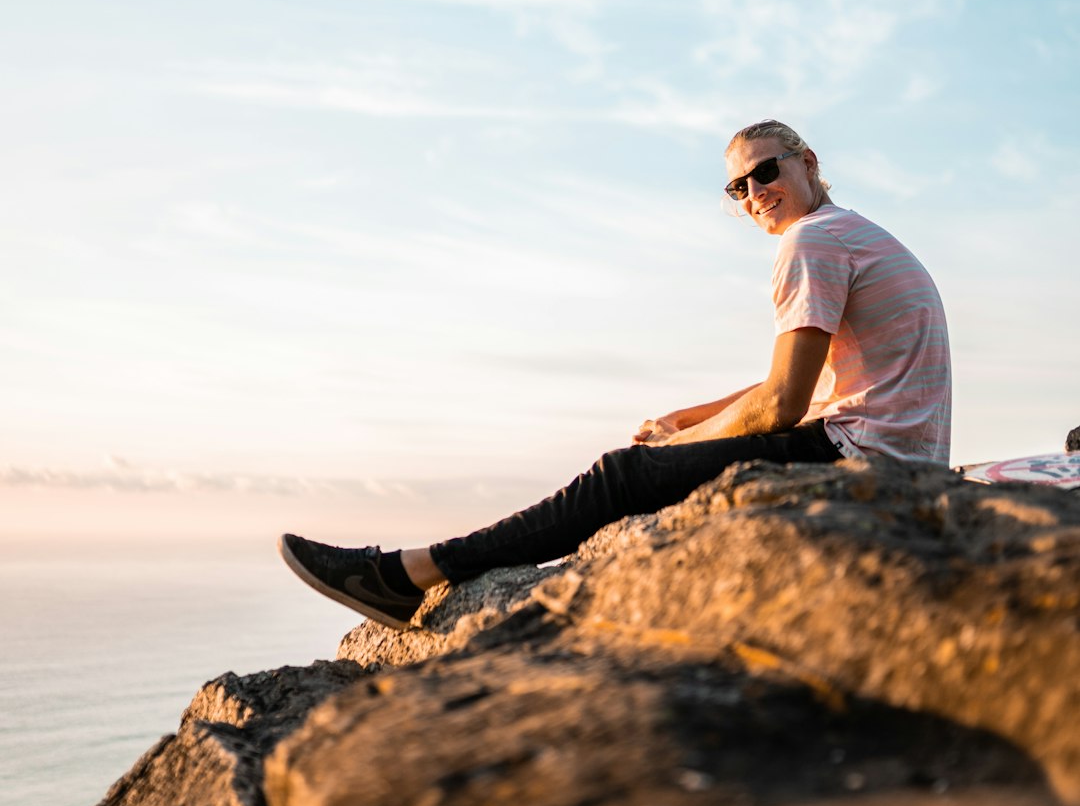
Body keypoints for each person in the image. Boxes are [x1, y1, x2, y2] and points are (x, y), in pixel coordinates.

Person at [279, 119, 952, 630]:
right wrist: (688, 420)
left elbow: (781, 405)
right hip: (890, 452)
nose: (754, 194)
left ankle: (407, 574)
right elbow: (793, 386)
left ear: (808, 163)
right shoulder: (847, 233)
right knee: (644, 465)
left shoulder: (812, 242)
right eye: (737, 187)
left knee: (621, 477)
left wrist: (672, 448)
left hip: (861, 458)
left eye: (765, 172)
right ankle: (412, 570)